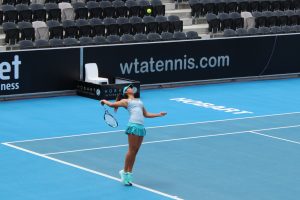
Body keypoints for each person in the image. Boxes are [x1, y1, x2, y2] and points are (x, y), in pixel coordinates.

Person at [100, 84, 167, 186]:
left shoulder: (139, 101)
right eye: (129, 88)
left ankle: (129, 174)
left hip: (141, 127)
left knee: (135, 151)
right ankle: (124, 172)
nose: (131, 88)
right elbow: (112, 105)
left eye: (131, 87)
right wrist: (104, 101)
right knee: (131, 150)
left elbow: (146, 114)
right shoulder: (125, 101)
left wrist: (159, 114)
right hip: (133, 126)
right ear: (126, 92)